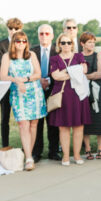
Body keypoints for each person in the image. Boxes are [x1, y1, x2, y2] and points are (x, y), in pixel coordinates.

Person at [1, 30, 46, 171]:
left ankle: (28, 156)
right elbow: (3, 76)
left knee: (34, 124)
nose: (21, 43)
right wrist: (17, 80)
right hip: (18, 94)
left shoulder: (31, 55)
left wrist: (26, 79)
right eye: (18, 41)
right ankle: (28, 157)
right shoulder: (7, 57)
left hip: (35, 92)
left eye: (24, 41)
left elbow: (38, 74)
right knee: (23, 124)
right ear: (13, 42)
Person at [47, 33, 91, 166]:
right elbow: (56, 76)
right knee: (64, 127)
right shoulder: (54, 59)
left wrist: (65, 72)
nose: (66, 45)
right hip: (62, 95)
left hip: (78, 95)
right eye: (63, 42)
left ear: (73, 44)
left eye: (69, 42)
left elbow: (84, 69)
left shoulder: (79, 56)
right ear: (59, 45)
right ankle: (66, 156)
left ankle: (77, 155)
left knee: (78, 126)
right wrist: (73, 72)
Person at [32, 24, 61, 162]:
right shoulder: (31, 52)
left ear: (52, 36)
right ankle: (36, 152)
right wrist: (39, 81)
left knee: (53, 123)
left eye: (47, 34)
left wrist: (48, 80)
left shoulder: (58, 51)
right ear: (38, 35)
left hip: (53, 90)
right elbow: (28, 70)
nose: (44, 36)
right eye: (41, 33)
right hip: (35, 90)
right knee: (37, 123)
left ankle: (54, 151)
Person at [80, 31, 101, 160]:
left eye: (93, 42)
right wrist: (88, 77)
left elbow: (100, 74)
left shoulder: (98, 55)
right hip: (83, 91)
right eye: (89, 42)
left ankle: (100, 148)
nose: (92, 44)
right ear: (82, 43)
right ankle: (87, 149)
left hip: (99, 90)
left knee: (100, 118)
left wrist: (84, 76)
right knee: (85, 120)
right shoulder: (78, 56)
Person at [0, 18, 23, 147]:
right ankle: (5, 146)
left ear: (20, 30)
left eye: (16, 29)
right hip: (6, 87)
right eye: (11, 28)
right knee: (4, 118)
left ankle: (29, 148)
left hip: (21, 86)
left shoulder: (23, 43)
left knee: (24, 119)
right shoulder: (1, 45)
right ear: (7, 29)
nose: (13, 31)